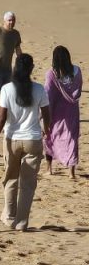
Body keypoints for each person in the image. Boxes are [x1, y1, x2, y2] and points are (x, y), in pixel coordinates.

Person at [0, 53, 51, 231]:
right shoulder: (39, 89)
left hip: (12, 139)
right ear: (31, 68)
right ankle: (22, 222)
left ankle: (9, 216)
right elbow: (46, 113)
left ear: (16, 68)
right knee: (28, 184)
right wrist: (47, 129)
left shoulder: (7, 89)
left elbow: (1, 117)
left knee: (10, 179)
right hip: (33, 139)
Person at [44, 45, 81, 179]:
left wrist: (45, 114)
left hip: (56, 111)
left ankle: (49, 169)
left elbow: (48, 94)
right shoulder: (77, 71)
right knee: (72, 139)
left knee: (49, 137)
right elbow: (78, 91)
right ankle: (71, 173)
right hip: (71, 111)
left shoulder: (51, 74)